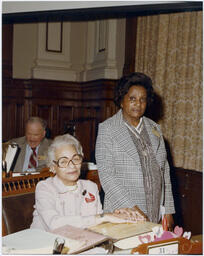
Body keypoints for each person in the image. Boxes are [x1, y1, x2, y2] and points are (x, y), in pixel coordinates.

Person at [95, 72, 175, 230]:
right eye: (132, 99)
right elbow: (107, 177)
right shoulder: (107, 129)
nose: (138, 104)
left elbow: (164, 171)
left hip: (155, 212)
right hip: (124, 213)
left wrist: (168, 211)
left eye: (142, 99)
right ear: (122, 101)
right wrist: (132, 208)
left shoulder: (155, 129)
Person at [31, 134, 145, 232]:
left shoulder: (90, 187)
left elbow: (97, 222)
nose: (72, 165)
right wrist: (104, 217)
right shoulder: (44, 188)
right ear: (52, 168)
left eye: (76, 159)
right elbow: (54, 225)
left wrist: (118, 215)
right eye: (63, 161)